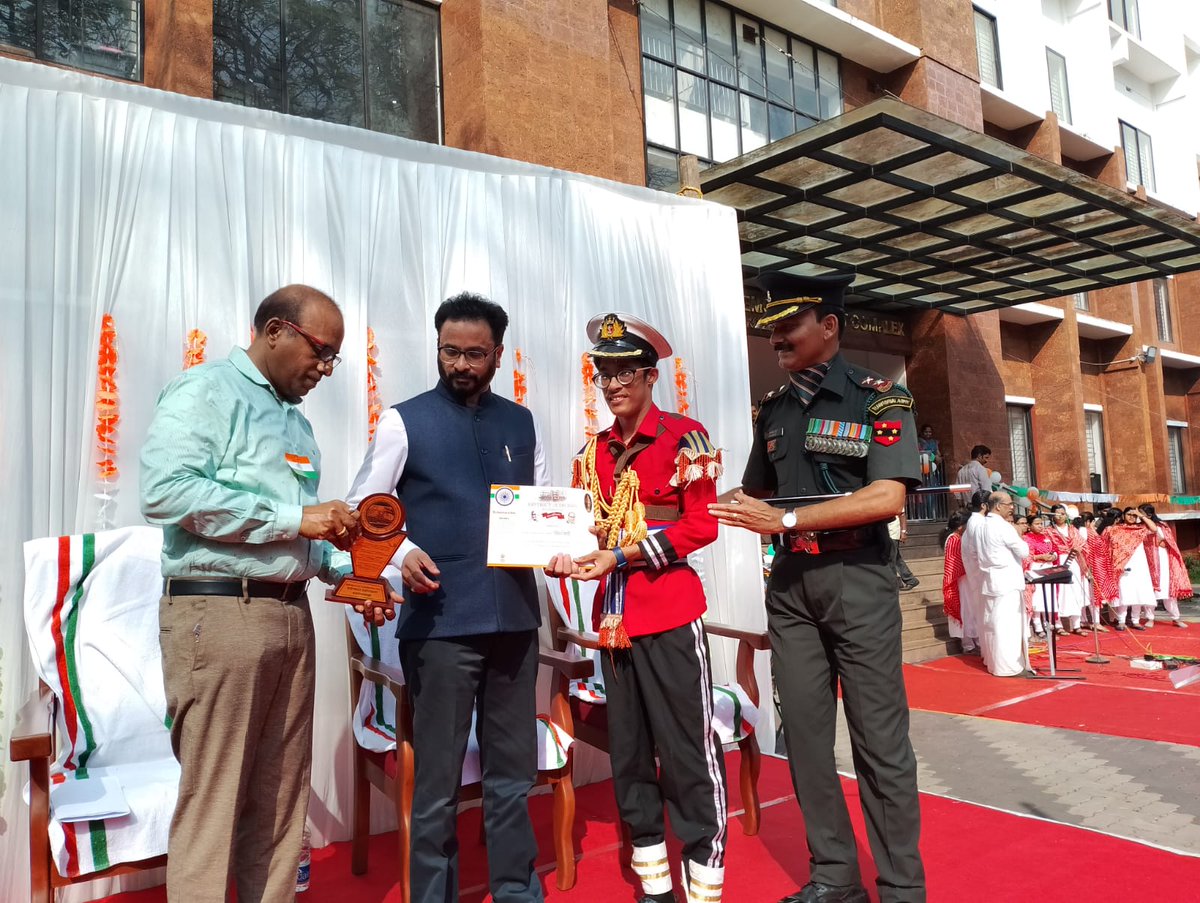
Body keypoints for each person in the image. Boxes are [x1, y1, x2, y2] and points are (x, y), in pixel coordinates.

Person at [140, 285, 362, 902]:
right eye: (320, 351)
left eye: (334, 358)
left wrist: (352, 577)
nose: (325, 369)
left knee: (281, 798)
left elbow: (303, 539)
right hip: (219, 613)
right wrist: (296, 518)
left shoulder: (297, 423)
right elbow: (166, 492)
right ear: (274, 331)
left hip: (289, 616)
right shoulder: (206, 391)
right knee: (215, 799)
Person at [710, 272, 925, 903]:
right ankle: (834, 877)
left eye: (789, 326)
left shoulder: (879, 398)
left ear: (828, 326)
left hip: (857, 581)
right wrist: (684, 496)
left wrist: (785, 521)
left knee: (879, 743)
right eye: (771, 328)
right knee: (804, 739)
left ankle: (902, 888)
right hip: (792, 590)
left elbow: (886, 497)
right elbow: (755, 492)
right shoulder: (775, 409)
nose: (776, 338)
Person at [343, 292, 549, 903]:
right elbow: (361, 509)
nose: (461, 364)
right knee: (437, 780)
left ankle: (517, 891)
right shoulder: (403, 420)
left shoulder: (522, 422)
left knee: (513, 774)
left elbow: (541, 505)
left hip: (515, 621)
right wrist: (401, 553)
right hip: (439, 626)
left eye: (474, 354)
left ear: (498, 354)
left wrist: (562, 544)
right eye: (449, 351)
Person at [547, 312, 727, 903]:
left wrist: (621, 554)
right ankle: (654, 885)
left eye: (625, 372)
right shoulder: (592, 452)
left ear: (651, 376)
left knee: (687, 751)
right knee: (627, 754)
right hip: (615, 621)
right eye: (604, 373)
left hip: (670, 611)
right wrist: (560, 555)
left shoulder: (685, 438)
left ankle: (704, 884)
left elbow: (701, 526)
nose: (613, 384)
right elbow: (584, 533)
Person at [974, 492, 1030, 677]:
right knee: (1006, 625)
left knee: (992, 623)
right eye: (1009, 504)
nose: (1012, 507)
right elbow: (1023, 551)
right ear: (998, 506)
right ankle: (1007, 667)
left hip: (990, 579)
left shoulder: (981, 525)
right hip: (1006, 581)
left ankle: (994, 663)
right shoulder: (1004, 526)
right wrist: (1018, 533)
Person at [1139, 504, 1192, 628]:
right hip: (1147, 561)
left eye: (1141, 513)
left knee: (1168, 590)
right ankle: (1150, 618)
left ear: (1149, 514)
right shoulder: (1139, 527)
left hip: (1163, 561)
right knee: (1149, 591)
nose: (1139, 516)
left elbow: (1168, 540)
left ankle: (1176, 618)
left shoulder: (1162, 525)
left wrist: (1164, 543)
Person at [1106, 507, 1159, 631]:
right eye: (1129, 514)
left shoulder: (1140, 528)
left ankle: (1136, 620)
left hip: (1139, 564)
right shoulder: (1116, 529)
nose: (1131, 517)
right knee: (1124, 592)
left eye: (1134, 515)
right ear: (1123, 516)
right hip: (1122, 564)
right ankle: (1121, 621)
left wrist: (1141, 515)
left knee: (1138, 593)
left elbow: (1154, 528)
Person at [1046, 505, 1088, 635]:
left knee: (1075, 590)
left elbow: (1083, 544)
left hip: (1073, 561)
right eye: (1057, 513)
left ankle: (1076, 624)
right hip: (1057, 562)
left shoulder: (1073, 529)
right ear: (1052, 515)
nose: (1060, 516)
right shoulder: (1048, 531)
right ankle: (1058, 624)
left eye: (1062, 513)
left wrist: (1078, 549)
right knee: (1059, 593)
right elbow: (1047, 547)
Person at [957, 491, 989, 655]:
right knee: (978, 610)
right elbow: (979, 551)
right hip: (979, 574)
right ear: (984, 505)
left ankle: (979, 643)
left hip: (977, 573)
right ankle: (977, 644)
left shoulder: (976, 521)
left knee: (978, 610)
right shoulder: (978, 523)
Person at [1022, 515, 1058, 638]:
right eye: (1037, 524)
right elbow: (1027, 556)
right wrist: (1040, 557)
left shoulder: (1046, 537)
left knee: (1048, 596)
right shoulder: (1026, 538)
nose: (1040, 526)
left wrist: (1053, 556)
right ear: (1029, 525)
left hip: (1048, 567)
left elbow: (1054, 550)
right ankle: (1038, 625)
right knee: (1038, 597)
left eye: (1041, 523)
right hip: (1036, 568)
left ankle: (1048, 624)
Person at [942, 512, 970, 650]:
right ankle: (967, 644)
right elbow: (954, 561)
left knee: (969, 610)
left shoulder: (959, 537)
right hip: (958, 579)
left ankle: (971, 642)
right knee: (964, 610)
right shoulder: (953, 539)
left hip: (966, 577)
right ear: (960, 526)